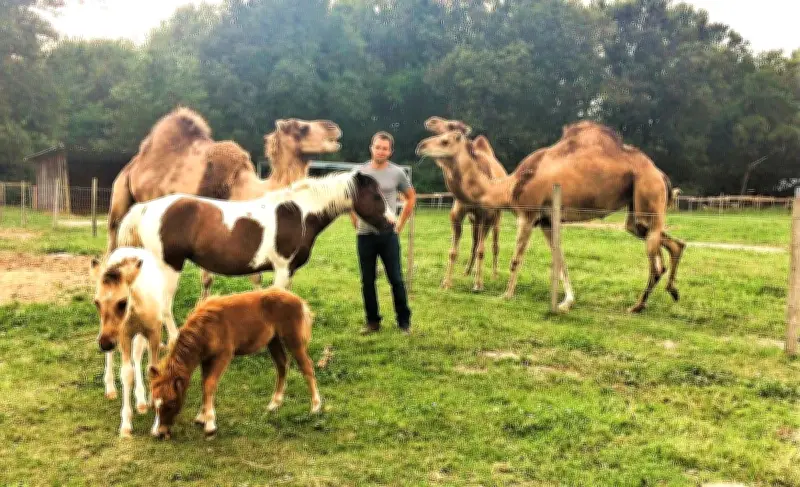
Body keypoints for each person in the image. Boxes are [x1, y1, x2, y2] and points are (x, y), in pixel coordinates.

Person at [351, 131, 416, 335]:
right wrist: (355, 222)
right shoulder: (359, 173)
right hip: (365, 236)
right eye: (378, 147)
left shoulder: (397, 173)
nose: (380, 151)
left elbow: (410, 197)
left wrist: (400, 224)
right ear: (371, 148)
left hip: (388, 236)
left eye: (385, 148)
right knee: (367, 281)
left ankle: (404, 322)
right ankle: (372, 322)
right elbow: (350, 199)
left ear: (390, 152)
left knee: (396, 279)